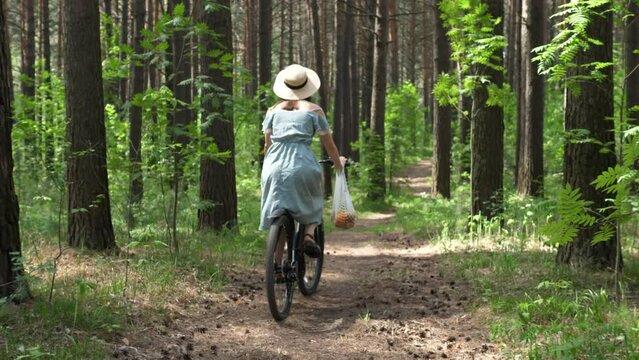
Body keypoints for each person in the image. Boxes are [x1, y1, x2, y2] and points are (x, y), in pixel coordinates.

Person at [260, 64, 345, 258]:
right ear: (307, 87)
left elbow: (267, 145)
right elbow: (329, 146)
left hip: (273, 164)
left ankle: (277, 265)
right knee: (314, 200)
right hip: (302, 162)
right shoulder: (314, 110)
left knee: (278, 213)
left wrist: (269, 165)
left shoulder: (272, 111)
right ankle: (308, 235)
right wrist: (338, 164)